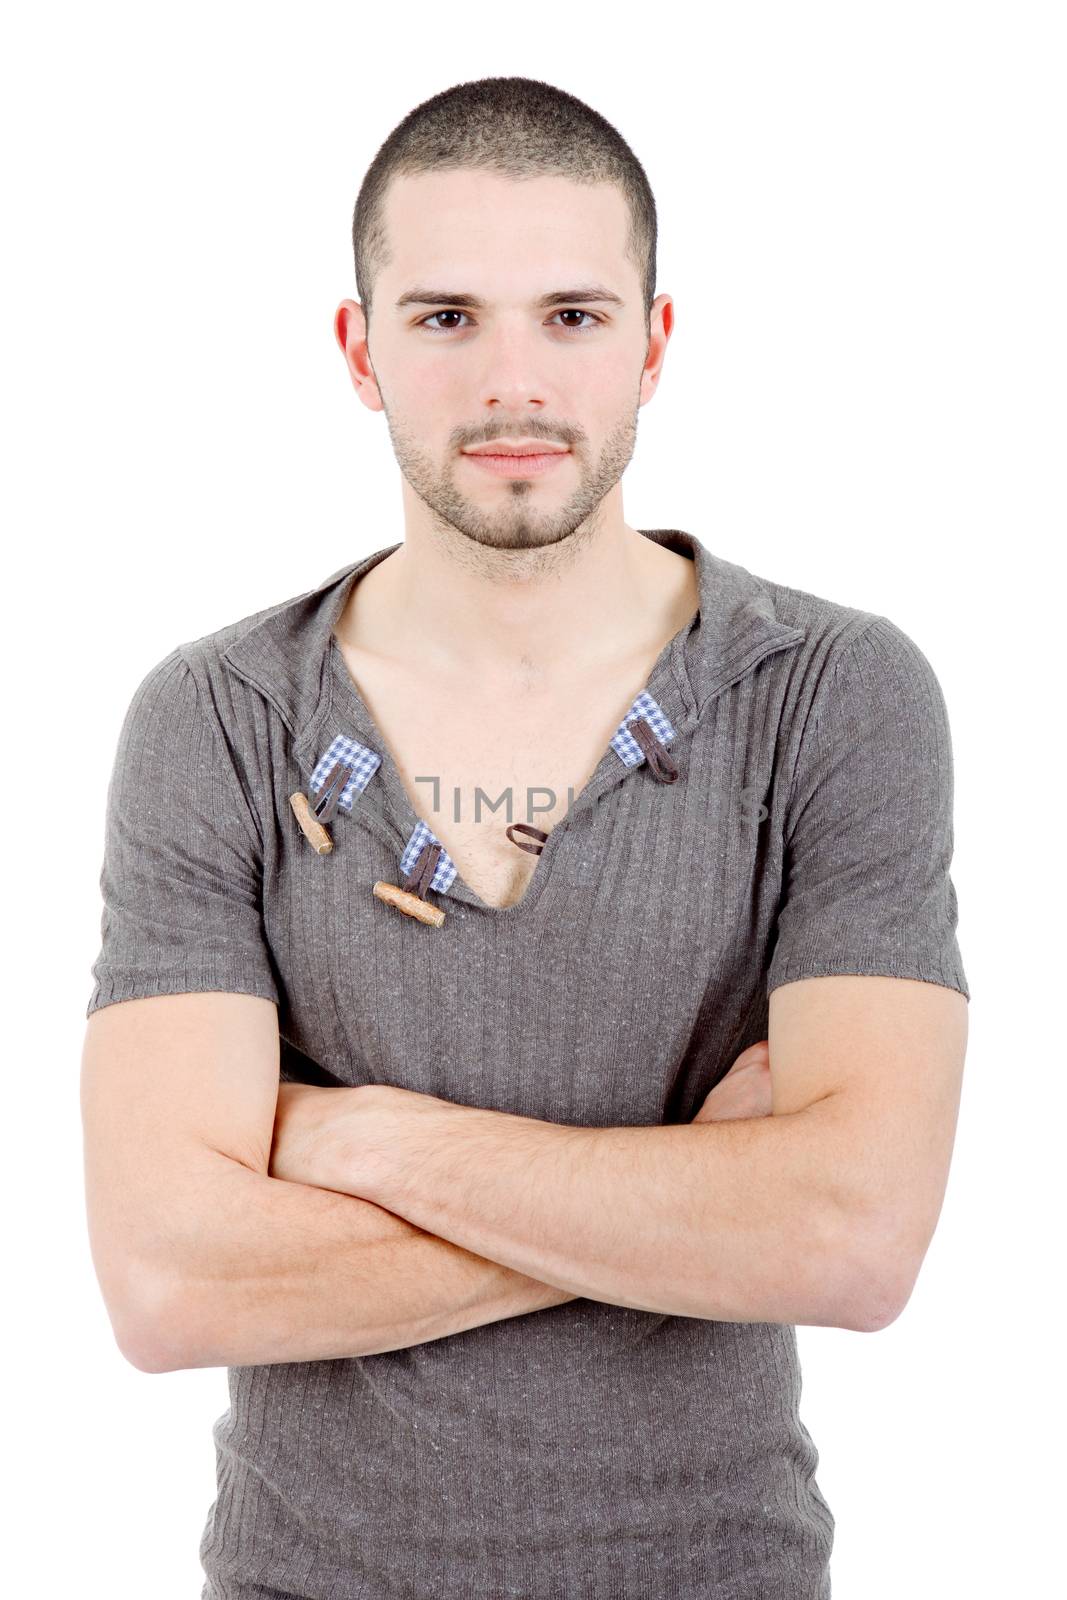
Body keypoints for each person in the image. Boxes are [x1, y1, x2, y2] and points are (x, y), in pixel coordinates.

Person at [80, 75, 969, 1600]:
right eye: (445, 319)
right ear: (360, 350)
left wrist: (359, 1140)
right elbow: (168, 1283)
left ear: (653, 343)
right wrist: (693, 1195)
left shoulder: (828, 694)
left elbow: (849, 1241)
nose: (513, 384)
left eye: (571, 316)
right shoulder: (217, 717)